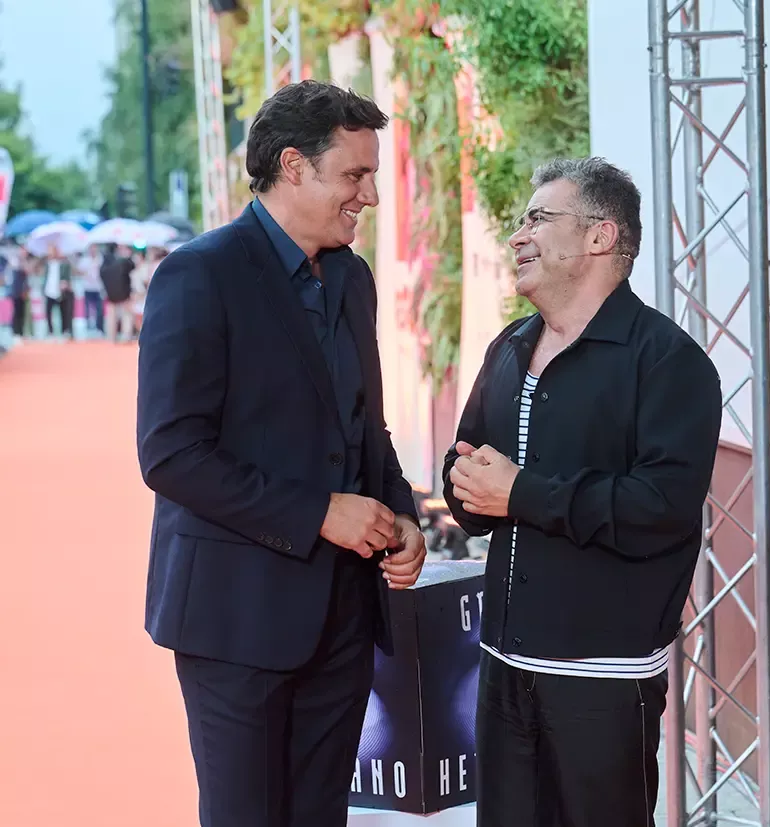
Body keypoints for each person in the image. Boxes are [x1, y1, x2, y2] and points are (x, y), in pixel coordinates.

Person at [136, 80, 426, 827]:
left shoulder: (353, 280)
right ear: (293, 166)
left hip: (343, 615)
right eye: (354, 175)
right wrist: (318, 513)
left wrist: (400, 513)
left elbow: (366, 429)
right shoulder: (199, 275)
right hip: (234, 618)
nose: (369, 195)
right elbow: (170, 452)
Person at [443, 157, 722, 827]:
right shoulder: (507, 347)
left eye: (538, 218)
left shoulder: (666, 360)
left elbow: (659, 509)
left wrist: (521, 493)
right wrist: (466, 488)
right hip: (502, 666)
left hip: (601, 678)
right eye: (521, 221)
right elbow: (469, 485)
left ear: (600, 236)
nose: (518, 235)